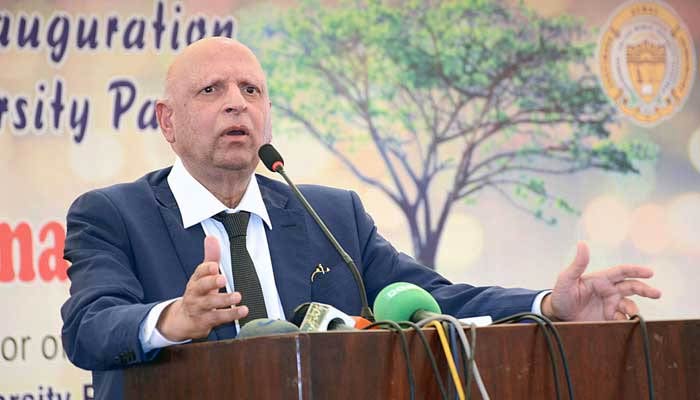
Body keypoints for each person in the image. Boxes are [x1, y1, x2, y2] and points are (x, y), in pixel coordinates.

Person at [60, 37, 661, 399]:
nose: (237, 103)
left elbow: (427, 298)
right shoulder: (113, 215)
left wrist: (548, 308)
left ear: (267, 115)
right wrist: (173, 319)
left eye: (251, 90)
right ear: (167, 121)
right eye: (212, 91)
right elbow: (89, 327)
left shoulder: (330, 214)